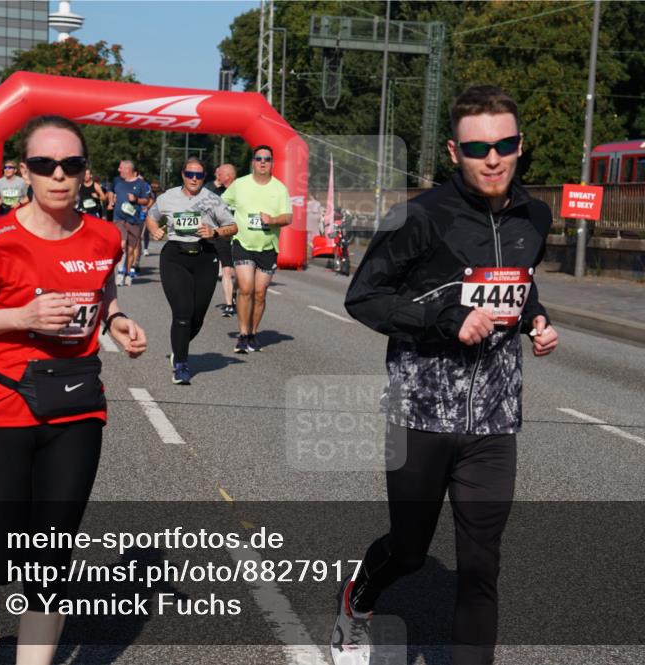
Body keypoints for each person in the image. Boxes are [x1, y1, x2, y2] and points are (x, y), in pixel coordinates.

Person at [335, 85, 560, 665]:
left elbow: (519, 279)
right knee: (409, 552)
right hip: (420, 413)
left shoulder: (535, 215)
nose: (493, 158)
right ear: (453, 153)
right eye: (478, 147)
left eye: (504, 144)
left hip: (493, 419)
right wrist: (443, 319)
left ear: (519, 145)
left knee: (481, 564)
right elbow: (364, 298)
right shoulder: (417, 215)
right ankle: (358, 600)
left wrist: (536, 319)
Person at [0, 115, 147, 665]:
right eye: (44, 165)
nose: (59, 175)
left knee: (52, 554)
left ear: (85, 172)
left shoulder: (104, 235)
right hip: (2, 405)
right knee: (2, 540)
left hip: (76, 408)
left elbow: (101, 289)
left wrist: (117, 319)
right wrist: (23, 314)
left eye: (71, 165)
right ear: (26, 172)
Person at [146, 158, 237, 384]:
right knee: (183, 312)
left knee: (197, 318)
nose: (194, 179)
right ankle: (181, 365)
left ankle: (179, 349)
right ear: (183, 174)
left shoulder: (213, 200)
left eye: (199, 175)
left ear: (204, 177)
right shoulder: (167, 198)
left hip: (205, 257)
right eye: (190, 174)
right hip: (175, 256)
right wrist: (155, 229)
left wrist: (214, 232)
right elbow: (151, 216)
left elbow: (233, 226)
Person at [221, 147, 291, 353]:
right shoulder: (240, 185)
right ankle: (242, 334)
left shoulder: (280, 189)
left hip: (268, 247)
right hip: (242, 243)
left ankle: (253, 332)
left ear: (272, 163)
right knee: (246, 288)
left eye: (267, 159)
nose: (262, 162)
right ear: (253, 162)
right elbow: (221, 203)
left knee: (260, 294)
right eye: (259, 159)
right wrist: (225, 226)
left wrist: (273, 220)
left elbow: (288, 217)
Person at [108, 160, 151, 285]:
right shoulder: (117, 181)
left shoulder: (141, 184)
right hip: (119, 219)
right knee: (122, 244)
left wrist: (136, 199)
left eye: (121, 168)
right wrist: (111, 201)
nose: (118, 170)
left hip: (134, 220)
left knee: (130, 249)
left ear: (128, 169)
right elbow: (111, 191)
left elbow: (146, 201)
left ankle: (127, 272)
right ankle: (120, 272)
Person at [205, 163, 238, 316]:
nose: (218, 176)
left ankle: (235, 292)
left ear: (229, 176)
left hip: (240, 237)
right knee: (226, 269)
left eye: (221, 174)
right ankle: (229, 304)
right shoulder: (216, 191)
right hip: (223, 235)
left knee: (237, 273)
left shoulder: (241, 191)